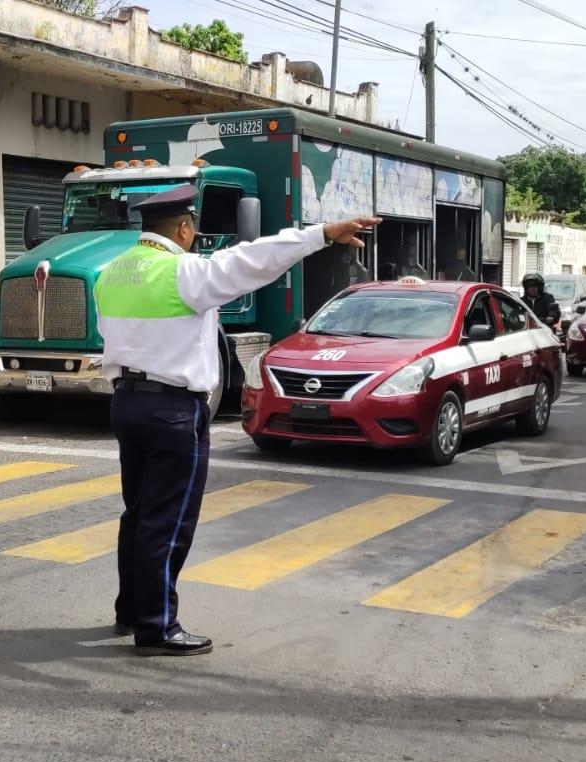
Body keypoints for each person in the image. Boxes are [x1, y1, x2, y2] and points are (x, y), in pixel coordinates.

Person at [95, 183, 379, 656]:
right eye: (195, 230)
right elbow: (253, 259)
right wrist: (322, 234)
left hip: (126, 403)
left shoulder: (112, 273)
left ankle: (132, 609)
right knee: (168, 520)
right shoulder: (184, 272)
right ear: (183, 228)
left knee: (140, 513)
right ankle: (157, 626)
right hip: (171, 410)